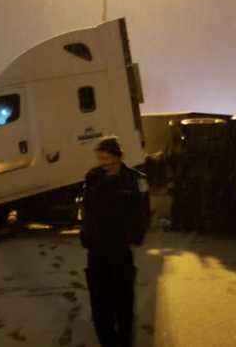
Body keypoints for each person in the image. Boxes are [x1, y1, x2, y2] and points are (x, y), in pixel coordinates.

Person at [80, 137, 151, 347]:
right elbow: (87, 210)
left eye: (108, 158)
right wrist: (85, 234)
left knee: (123, 302)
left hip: (120, 248)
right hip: (97, 249)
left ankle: (125, 341)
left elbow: (144, 211)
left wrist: (136, 234)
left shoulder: (136, 179)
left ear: (119, 157)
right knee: (100, 304)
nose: (104, 163)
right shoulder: (92, 178)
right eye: (101, 158)